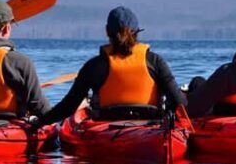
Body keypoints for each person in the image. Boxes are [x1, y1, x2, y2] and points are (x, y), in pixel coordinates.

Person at [40, 6, 186, 124]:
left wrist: (40, 123)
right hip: (151, 127)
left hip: (107, 127)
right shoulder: (155, 62)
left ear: (107, 32)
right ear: (136, 33)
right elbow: (180, 103)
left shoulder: (94, 66)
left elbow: (68, 106)